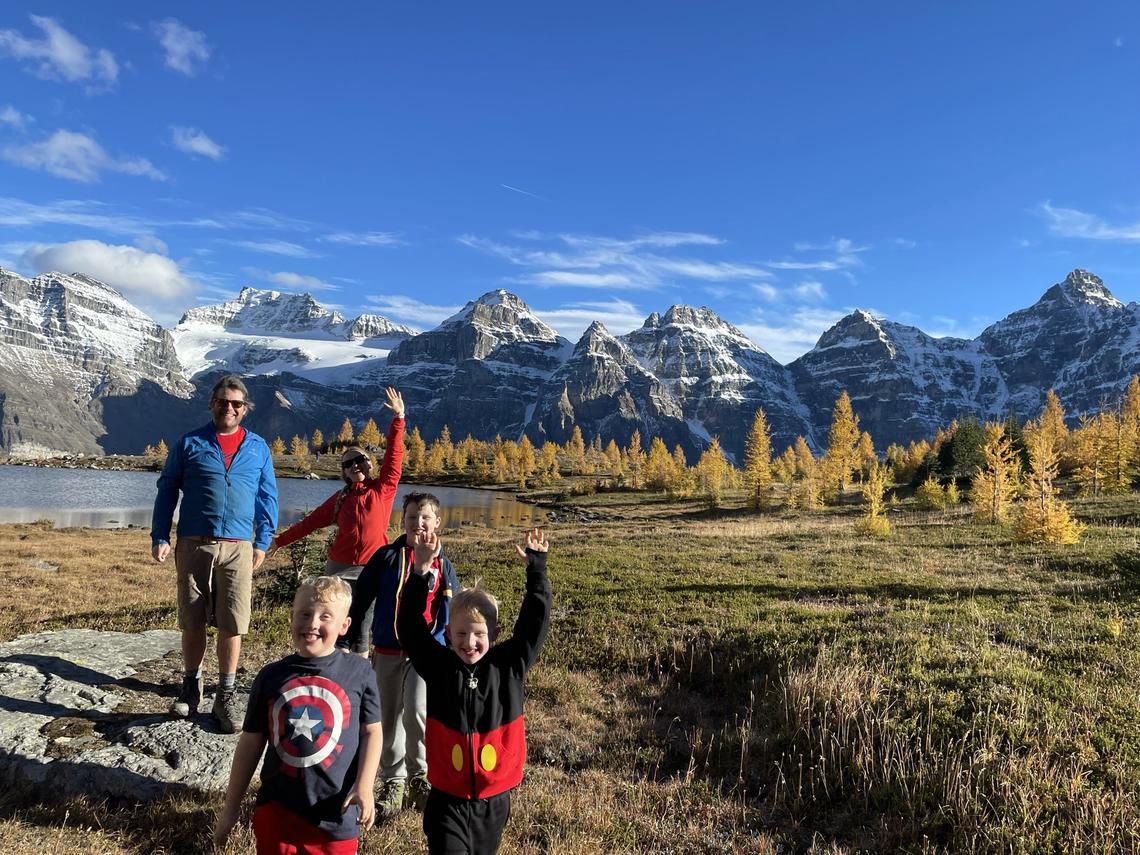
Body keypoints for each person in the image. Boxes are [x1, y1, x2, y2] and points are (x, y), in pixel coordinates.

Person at [398, 527, 551, 855]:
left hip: (492, 801)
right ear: (449, 633)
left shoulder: (508, 666)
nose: (469, 642)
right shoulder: (440, 666)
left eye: (478, 633)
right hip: (445, 799)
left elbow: (533, 626)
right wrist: (420, 571)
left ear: (495, 633)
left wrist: (536, 570)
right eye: (461, 633)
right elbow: (410, 629)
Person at [213, 576, 382, 854]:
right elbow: (251, 743)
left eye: (325, 616)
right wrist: (230, 810)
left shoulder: (360, 672)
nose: (313, 623)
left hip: (335, 817)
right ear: (292, 617)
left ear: (344, 626)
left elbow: (372, 731)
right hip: (277, 814)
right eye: (304, 614)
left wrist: (365, 786)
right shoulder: (271, 676)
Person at [151, 374, 278, 733]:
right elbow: (167, 490)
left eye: (237, 403)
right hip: (194, 542)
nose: (229, 408)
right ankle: (191, 686)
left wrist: (262, 541)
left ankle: (226, 691)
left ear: (245, 409)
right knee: (192, 619)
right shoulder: (190, 443)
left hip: (238, 547)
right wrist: (160, 534)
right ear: (212, 404)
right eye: (223, 401)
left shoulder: (257, 447)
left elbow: (267, 497)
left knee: (232, 622)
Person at [342, 492, 459, 820]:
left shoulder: (443, 563)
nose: (418, 524)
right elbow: (361, 599)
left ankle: (419, 775)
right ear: (402, 521)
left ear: (437, 522)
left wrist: (452, 650)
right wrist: (356, 642)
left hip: (426, 655)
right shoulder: (386, 557)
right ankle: (394, 780)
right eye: (412, 517)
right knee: (388, 717)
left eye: (425, 518)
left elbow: (453, 608)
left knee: (418, 713)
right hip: (388, 651)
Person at [270, 387, 405, 653]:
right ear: (343, 472)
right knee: (334, 618)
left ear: (370, 464)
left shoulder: (383, 488)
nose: (354, 465)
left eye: (359, 460)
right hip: (339, 569)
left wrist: (399, 419)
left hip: (372, 567)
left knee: (364, 621)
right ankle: (333, 665)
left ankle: (360, 670)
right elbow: (308, 524)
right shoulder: (339, 498)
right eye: (348, 463)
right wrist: (279, 541)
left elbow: (394, 456)